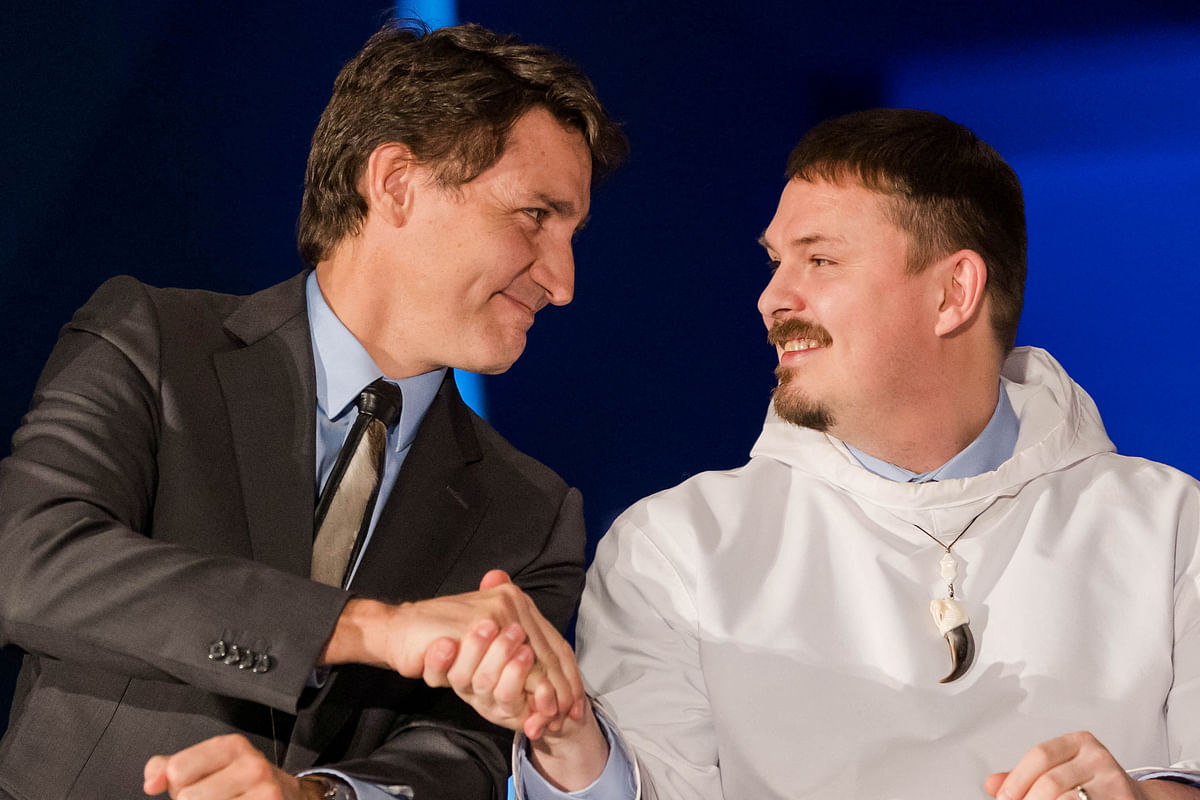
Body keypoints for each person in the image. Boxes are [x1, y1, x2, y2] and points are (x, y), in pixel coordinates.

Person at [436, 109, 1200, 800]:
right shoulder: (675, 550)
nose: (773, 298)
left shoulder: (1170, 530)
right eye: (775, 261)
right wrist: (569, 742)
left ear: (952, 294)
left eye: (820, 261)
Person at [0, 20, 625, 800]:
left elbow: (463, 752)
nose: (562, 282)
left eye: (573, 232)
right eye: (536, 215)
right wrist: (371, 629)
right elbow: (27, 561)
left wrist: (319, 795)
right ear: (396, 182)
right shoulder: (153, 340)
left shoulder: (534, 512)